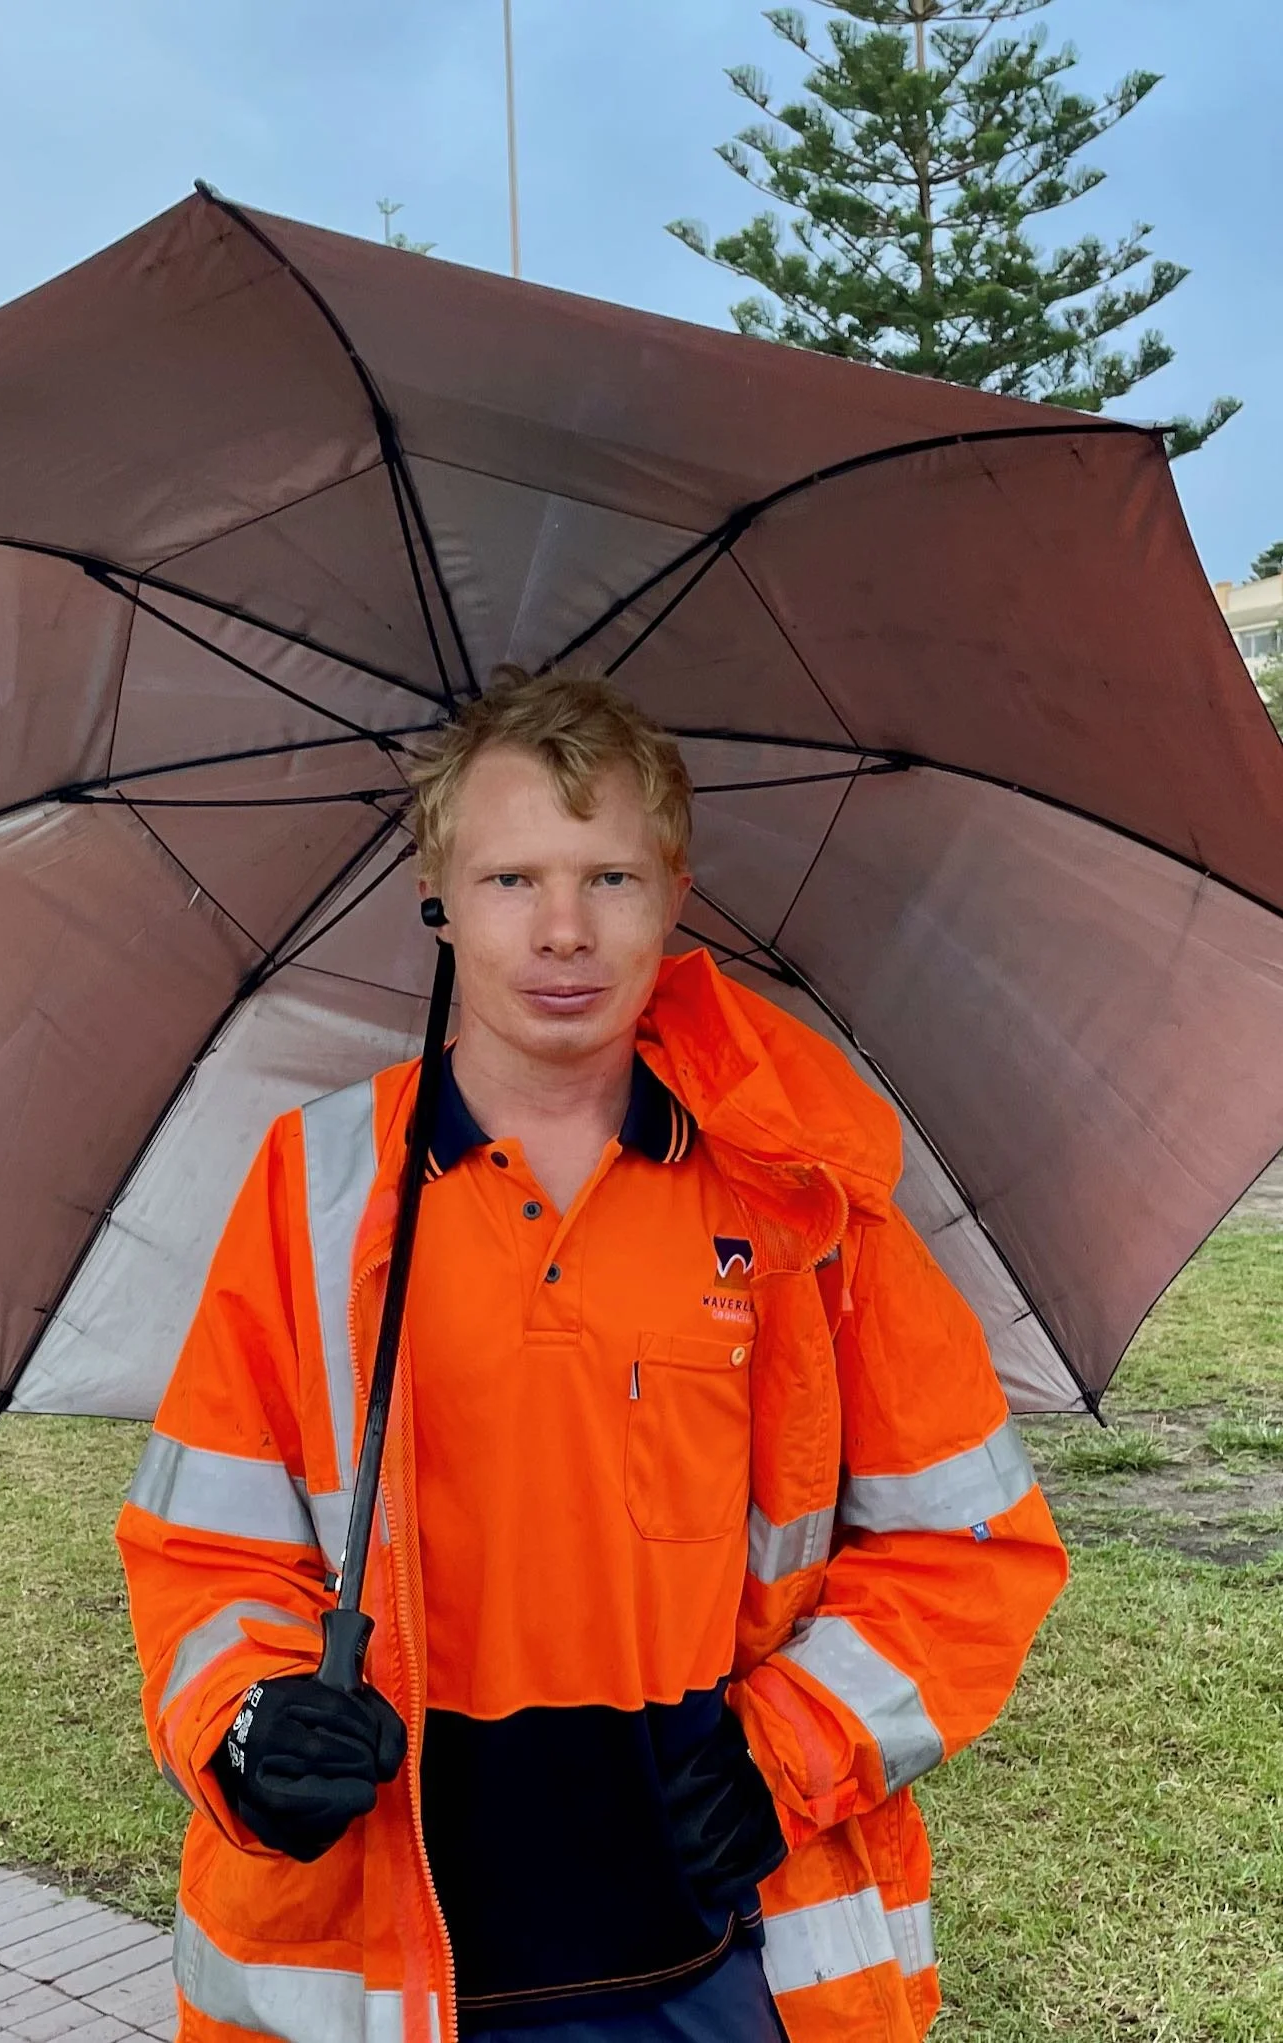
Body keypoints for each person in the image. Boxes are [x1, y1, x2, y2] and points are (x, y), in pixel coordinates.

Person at [117, 667, 1068, 2043]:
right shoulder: (317, 1184)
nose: (562, 931)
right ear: (437, 895)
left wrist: (790, 1746)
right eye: (510, 879)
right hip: (388, 1965)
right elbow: (205, 1548)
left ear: (674, 891)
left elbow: (971, 1546)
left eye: (609, 877)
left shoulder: (799, 1194)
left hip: (711, 1969)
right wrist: (250, 1726)